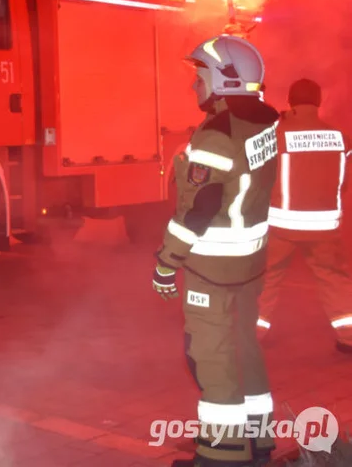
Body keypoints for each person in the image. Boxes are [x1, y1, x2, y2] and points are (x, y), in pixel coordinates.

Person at [151, 35, 280, 467]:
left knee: (211, 356)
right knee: (245, 349)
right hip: (249, 264)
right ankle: (258, 441)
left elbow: (197, 210)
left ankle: (222, 456)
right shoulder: (265, 122)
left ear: (225, 79)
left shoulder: (215, 134)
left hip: (213, 269)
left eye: (200, 76)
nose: (194, 86)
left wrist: (166, 264)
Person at [256, 78, 352, 352]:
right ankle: (349, 337)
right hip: (325, 225)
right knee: (334, 277)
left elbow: (261, 177)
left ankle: (253, 335)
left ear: (290, 101)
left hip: (282, 225)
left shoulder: (277, 135)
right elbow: (345, 182)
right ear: (319, 102)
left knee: (267, 277)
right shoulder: (340, 137)